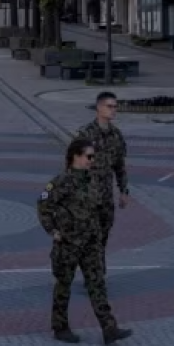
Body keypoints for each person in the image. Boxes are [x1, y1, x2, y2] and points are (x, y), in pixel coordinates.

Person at [37, 138, 133, 345]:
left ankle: (109, 328)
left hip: (90, 243)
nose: (92, 160)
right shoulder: (61, 182)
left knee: (97, 284)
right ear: (76, 156)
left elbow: (100, 209)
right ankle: (60, 327)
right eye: (89, 156)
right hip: (69, 243)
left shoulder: (93, 181)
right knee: (64, 285)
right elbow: (44, 206)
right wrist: (53, 231)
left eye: (93, 156)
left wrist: (100, 233)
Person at [74, 91, 131, 271]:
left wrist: (123, 191)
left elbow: (120, 166)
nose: (113, 110)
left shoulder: (116, 135)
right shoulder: (85, 134)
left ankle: (95, 268)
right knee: (91, 236)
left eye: (115, 106)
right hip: (87, 196)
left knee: (103, 234)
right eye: (109, 106)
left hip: (106, 197)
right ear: (99, 108)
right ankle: (95, 272)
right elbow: (73, 166)